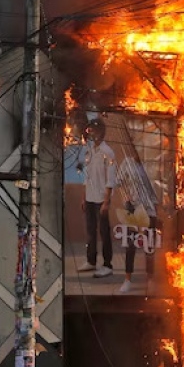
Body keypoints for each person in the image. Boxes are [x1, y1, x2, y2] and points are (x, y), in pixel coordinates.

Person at [76, 119, 118, 278]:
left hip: (101, 199)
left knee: (104, 232)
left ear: (100, 132)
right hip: (90, 197)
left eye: (93, 130)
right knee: (90, 231)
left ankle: (107, 265)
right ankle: (91, 261)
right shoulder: (90, 151)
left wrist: (106, 202)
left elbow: (111, 179)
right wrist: (83, 197)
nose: (90, 133)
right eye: (89, 131)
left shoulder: (108, 152)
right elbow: (87, 177)